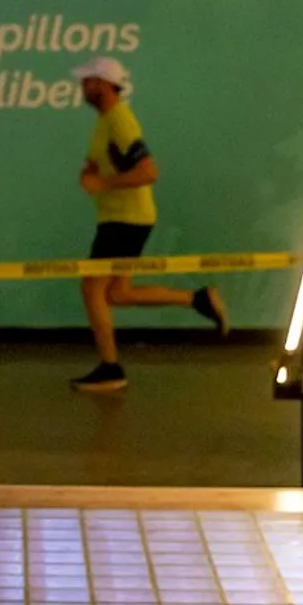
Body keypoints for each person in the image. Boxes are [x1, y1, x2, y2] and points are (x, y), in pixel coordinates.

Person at [70, 56, 227, 393]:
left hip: (124, 220)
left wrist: (103, 185)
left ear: (104, 84)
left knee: (91, 288)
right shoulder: (105, 123)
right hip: (121, 218)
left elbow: (148, 172)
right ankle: (198, 300)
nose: (83, 87)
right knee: (118, 292)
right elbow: (103, 167)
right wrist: (92, 175)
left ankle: (110, 368)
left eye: (88, 81)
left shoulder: (120, 122)